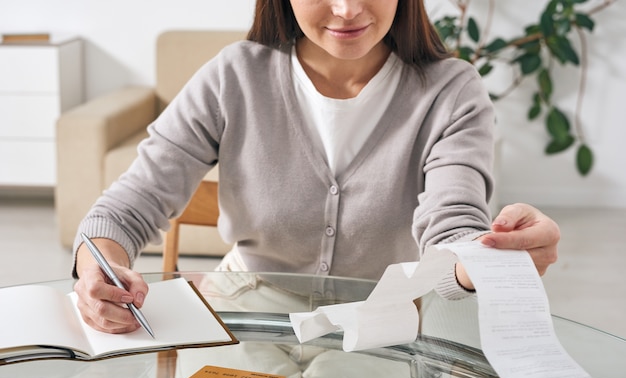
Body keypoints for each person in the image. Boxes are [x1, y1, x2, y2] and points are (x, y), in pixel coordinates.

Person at [73, 0, 560, 334]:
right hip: (244, 308)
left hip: (381, 316)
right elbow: (129, 205)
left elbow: (453, 224)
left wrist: (490, 257)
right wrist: (98, 266)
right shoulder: (235, 76)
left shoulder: (451, 92)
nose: (347, 10)